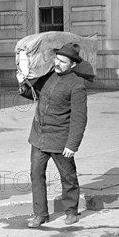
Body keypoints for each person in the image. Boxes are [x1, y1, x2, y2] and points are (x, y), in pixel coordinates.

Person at [18, 42, 89, 227]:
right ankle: (40, 214)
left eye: (62, 61)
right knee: (36, 174)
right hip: (39, 137)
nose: (57, 63)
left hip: (60, 140)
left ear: (72, 64)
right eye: (57, 59)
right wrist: (23, 83)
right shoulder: (48, 76)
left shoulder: (77, 84)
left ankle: (71, 211)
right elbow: (34, 94)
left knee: (68, 176)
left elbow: (79, 118)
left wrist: (72, 144)